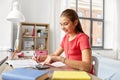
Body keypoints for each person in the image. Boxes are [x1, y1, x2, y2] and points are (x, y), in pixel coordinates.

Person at [32, 9, 93, 74]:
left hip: (83, 74)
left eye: (65, 24)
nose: (62, 27)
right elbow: (55, 55)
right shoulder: (66, 37)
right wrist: (41, 58)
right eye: (61, 24)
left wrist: (61, 59)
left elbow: (87, 66)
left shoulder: (83, 38)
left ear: (75, 22)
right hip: (71, 72)